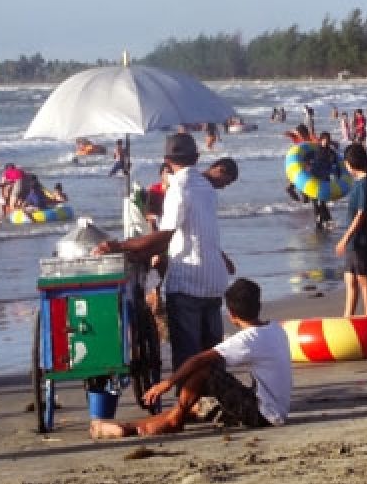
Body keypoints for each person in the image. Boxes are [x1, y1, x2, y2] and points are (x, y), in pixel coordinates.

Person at [95, 133, 233, 373]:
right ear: (197, 157)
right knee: (211, 354)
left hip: (189, 282)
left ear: (167, 160)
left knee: (188, 357)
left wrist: (120, 246)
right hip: (214, 279)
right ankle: (214, 398)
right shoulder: (207, 188)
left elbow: (164, 236)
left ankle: (190, 405)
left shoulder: (179, 188)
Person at [89, 278, 291, 438]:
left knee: (203, 371)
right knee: (195, 407)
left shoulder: (249, 338)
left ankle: (171, 423)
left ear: (231, 314)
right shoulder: (275, 329)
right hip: (274, 411)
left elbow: (199, 360)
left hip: (263, 414)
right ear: (259, 305)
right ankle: (129, 428)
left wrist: (166, 384)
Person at [335, 144, 367, 317]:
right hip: (355, 239)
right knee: (350, 277)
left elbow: (361, 214)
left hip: (361, 239)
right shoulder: (361, 181)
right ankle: (348, 316)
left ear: (351, 163)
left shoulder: (366, 183)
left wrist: (345, 238)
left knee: (363, 277)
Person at [305, 133, 339, 228]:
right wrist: (308, 166)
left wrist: (336, 176)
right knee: (316, 202)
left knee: (322, 201)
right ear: (321, 140)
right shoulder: (315, 150)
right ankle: (321, 221)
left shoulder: (331, 152)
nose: (327, 142)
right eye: (325, 140)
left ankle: (325, 220)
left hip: (324, 179)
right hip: (314, 178)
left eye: (328, 140)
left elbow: (335, 164)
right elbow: (306, 158)